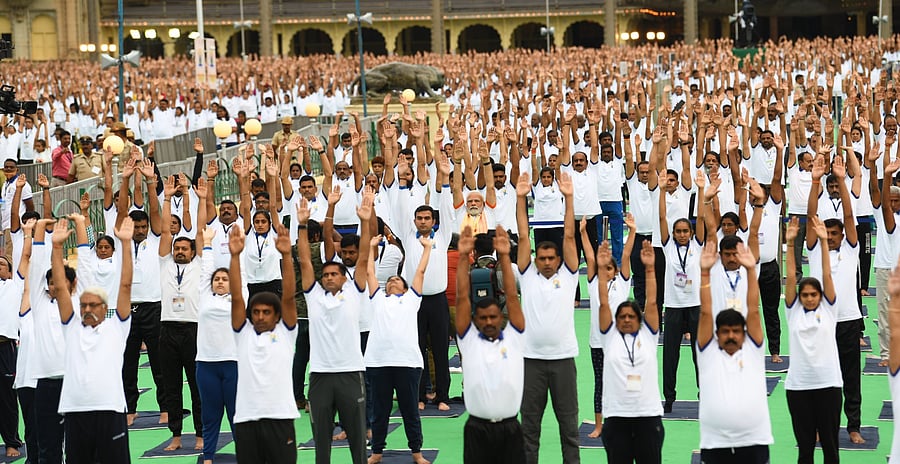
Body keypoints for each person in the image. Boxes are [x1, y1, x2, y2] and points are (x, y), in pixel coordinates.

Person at [298, 189, 374, 464]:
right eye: (326, 274)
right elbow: (305, 259)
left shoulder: (355, 290)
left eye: (334, 274)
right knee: (321, 443)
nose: (329, 277)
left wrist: (365, 221)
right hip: (319, 376)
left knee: (357, 442)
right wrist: (302, 224)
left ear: (344, 277)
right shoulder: (314, 295)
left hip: (350, 374)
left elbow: (364, 256)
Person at [52, 216, 135, 463]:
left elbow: (126, 285)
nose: (87, 309)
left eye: (93, 305)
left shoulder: (117, 326)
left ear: (104, 306)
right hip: (76, 410)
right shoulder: (72, 326)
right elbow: (59, 287)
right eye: (83, 304)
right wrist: (57, 248)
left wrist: (126, 245)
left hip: (110, 408)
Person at [514, 170, 580, 463]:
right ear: (535, 260)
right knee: (529, 430)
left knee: (569, 430)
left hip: (563, 361)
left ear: (559, 260)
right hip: (531, 361)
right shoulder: (527, 276)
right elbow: (524, 234)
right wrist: (520, 199)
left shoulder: (568, 276)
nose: (547, 262)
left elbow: (568, 234)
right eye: (542, 258)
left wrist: (569, 199)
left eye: (552, 258)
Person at [227, 220, 299, 463]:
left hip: (280, 416)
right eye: (256, 312)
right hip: (247, 419)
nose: (259, 316)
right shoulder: (243, 333)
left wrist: (286, 255)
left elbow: (288, 296)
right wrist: (235, 256)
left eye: (266, 312)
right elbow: (237, 296)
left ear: (276, 315)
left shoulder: (287, 332)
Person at [807, 154, 866, 444]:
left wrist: (842, 180)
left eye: (834, 233)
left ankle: (853, 426)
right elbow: (809, 217)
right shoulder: (815, 250)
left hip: (848, 321)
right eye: (826, 233)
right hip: (821, 322)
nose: (830, 236)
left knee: (851, 378)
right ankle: (821, 427)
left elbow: (849, 217)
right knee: (822, 379)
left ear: (843, 235)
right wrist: (816, 180)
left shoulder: (851, 250)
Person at [697, 239, 772, 463]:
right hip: (715, 442)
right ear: (717, 334)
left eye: (736, 331)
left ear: (744, 333)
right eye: (725, 331)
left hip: (753, 440)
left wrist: (750, 270)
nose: (731, 336)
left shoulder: (754, 350)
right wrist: (704, 273)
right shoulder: (707, 352)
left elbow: (754, 311)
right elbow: (706, 313)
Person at [455, 225, 525, 464]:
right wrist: (464, 257)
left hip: (510, 429)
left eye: (493, 317)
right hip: (477, 430)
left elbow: (513, 295)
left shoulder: (515, 338)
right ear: (475, 320)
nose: (488, 321)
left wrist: (504, 256)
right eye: (483, 318)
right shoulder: (468, 340)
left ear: (500, 317)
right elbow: (462, 297)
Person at [364, 232, 432, 464]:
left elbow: (420, 272)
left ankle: (417, 452)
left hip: (408, 363)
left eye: (398, 280)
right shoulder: (377, 299)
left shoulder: (412, 300)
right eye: (390, 280)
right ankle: (377, 452)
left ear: (404, 288)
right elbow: (370, 272)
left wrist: (427, 248)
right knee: (379, 411)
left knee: (410, 410)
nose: (393, 281)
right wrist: (372, 247)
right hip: (378, 363)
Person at [597, 239, 663, 463]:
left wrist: (650, 268)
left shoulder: (649, 335)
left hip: (648, 415)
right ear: (616, 321)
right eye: (622, 316)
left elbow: (652, 302)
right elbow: (604, 303)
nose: (626, 319)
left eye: (631, 316)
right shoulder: (610, 336)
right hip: (617, 417)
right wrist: (600, 267)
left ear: (639, 319)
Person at [784, 216, 842, 464]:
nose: (809, 298)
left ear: (820, 295)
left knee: (830, 447)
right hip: (798, 388)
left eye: (813, 295)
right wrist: (789, 243)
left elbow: (826, 273)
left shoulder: (829, 309)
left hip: (828, 385)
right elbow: (789, 276)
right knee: (805, 449)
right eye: (805, 295)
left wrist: (821, 240)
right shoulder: (793, 312)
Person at [158, 174, 206, 452]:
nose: (178, 251)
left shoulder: (199, 264)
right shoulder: (165, 264)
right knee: (172, 388)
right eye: (176, 248)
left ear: (192, 252)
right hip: (168, 330)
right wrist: (166, 198)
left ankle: (200, 433)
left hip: (192, 330)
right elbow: (165, 232)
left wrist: (200, 198)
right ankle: (176, 435)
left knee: (196, 387)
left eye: (183, 249)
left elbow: (200, 230)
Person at [581, 212, 638, 439]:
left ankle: (627, 423)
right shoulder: (594, 283)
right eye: (603, 269)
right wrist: (583, 232)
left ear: (615, 271)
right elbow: (589, 255)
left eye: (610, 269)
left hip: (621, 343)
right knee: (600, 383)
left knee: (625, 382)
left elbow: (625, 254)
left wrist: (631, 231)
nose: (606, 272)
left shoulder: (623, 284)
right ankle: (599, 425)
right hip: (598, 342)